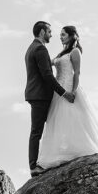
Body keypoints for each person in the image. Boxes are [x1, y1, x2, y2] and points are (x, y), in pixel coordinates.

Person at [36, 25, 98, 170]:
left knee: (72, 119)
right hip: (58, 91)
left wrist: (72, 91)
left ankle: (77, 151)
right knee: (58, 121)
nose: (60, 37)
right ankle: (60, 152)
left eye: (63, 34)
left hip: (68, 88)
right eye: (60, 34)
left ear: (72, 36)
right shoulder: (62, 53)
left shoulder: (75, 51)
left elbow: (77, 73)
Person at [25, 21, 74, 176]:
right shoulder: (39, 49)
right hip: (39, 96)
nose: (51, 35)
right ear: (41, 32)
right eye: (49, 31)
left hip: (37, 94)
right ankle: (33, 166)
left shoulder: (32, 47)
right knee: (36, 131)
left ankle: (48, 159)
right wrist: (63, 92)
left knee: (50, 127)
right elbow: (47, 75)